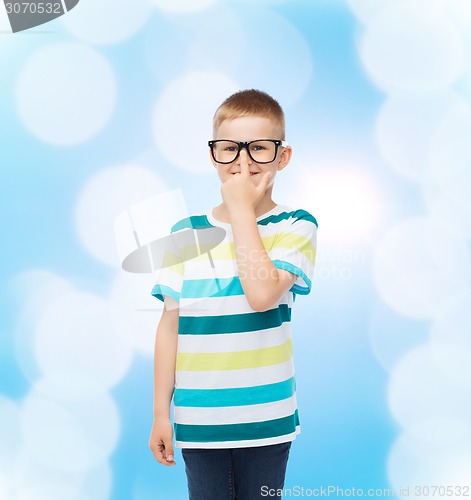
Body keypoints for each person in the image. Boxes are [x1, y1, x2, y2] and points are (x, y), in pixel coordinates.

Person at [148, 89, 318, 499]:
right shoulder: (184, 232)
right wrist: (160, 414)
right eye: (230, 149)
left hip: (267, 420)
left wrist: (242, 210)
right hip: (200, 419)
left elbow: (261, 295)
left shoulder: (296, 225)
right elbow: (170, 326)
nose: (243, 162)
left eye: (258, 149)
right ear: (213, 156)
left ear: (282, 156)